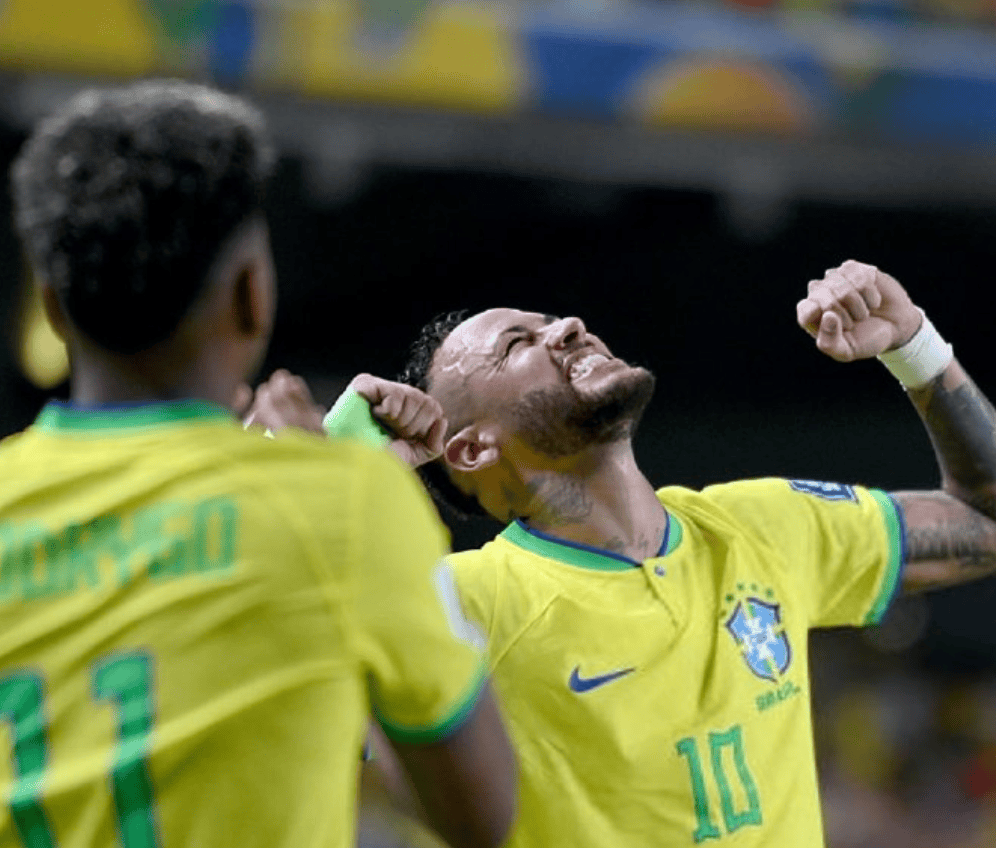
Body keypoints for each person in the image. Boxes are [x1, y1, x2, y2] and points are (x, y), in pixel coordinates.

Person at [251, 259, 996, 847]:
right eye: (518, 345)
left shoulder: (767, 524)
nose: (568, 328)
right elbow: (253, 700)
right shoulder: (466, 604)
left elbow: (984, 522)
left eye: (553, 321)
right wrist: (290, 480)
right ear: (471, 448)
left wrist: (916, 347)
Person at [0, 80, 516, 848]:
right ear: (252, 295)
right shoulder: (346, 504)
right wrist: (333, 485)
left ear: (50, 306)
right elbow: (479, 813)